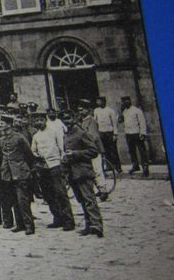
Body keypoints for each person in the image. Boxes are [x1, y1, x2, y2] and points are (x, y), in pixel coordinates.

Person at [64, 108, 105, 237]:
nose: (67, 121)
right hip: (73, 173)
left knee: (89, 199)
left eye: (69, 118)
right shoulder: (66, 135)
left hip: (83, 171)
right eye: (64, 119)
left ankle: (97, 225)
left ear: (74, 119)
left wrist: (76, 154)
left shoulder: (81, 133)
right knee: (82, 200)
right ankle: (89, 225)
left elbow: (94, 151)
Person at [31, 112, 74, 231]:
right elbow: (33, 150)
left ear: (45, 120)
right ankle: (57, 218)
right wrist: (37, 155)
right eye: (36, 121)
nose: (39, 122)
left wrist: (61, 162)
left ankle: (68, 220)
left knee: (60, 193)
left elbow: (62, 148)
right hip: (42, 167)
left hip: (55, 165)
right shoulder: (36, 136)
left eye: (41, 120)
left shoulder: (54, 132)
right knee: (48, 194)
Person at [0, 115, 35, 235]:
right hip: (7, 174)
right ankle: (20, 224)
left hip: (20, 173)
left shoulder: (19, 138)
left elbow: (29, 155)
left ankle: (29, 226)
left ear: (9, 124)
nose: (0, 125)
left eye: (2, 123)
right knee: (14, 200)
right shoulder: (1, 140)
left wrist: (24, 169)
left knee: (22, 200)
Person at [120, 96, 150, 176]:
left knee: (142, 151)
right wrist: (120, 111)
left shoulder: (137, 110)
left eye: (126, 101)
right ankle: (135, 165)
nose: (125, 102)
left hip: (137, 133)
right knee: (131, 151)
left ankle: (145, 168)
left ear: (130, 101)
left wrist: (143, 133)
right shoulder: (124, 111)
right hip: (128, 134)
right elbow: (120, 121)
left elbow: (142, 122)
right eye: (123, 101)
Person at [93, 97, 122, 173]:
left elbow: (114, 123)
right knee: (105, 150)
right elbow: (95, 122)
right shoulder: (96, 111)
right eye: (97, 101)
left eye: (99, 101)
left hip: (109, 133)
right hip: (101, 133)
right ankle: (109, 166)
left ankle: (118, 166)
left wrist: (115, 134)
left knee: (113, 150)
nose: (98, 103)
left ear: (103, 102)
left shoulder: (110, 111)